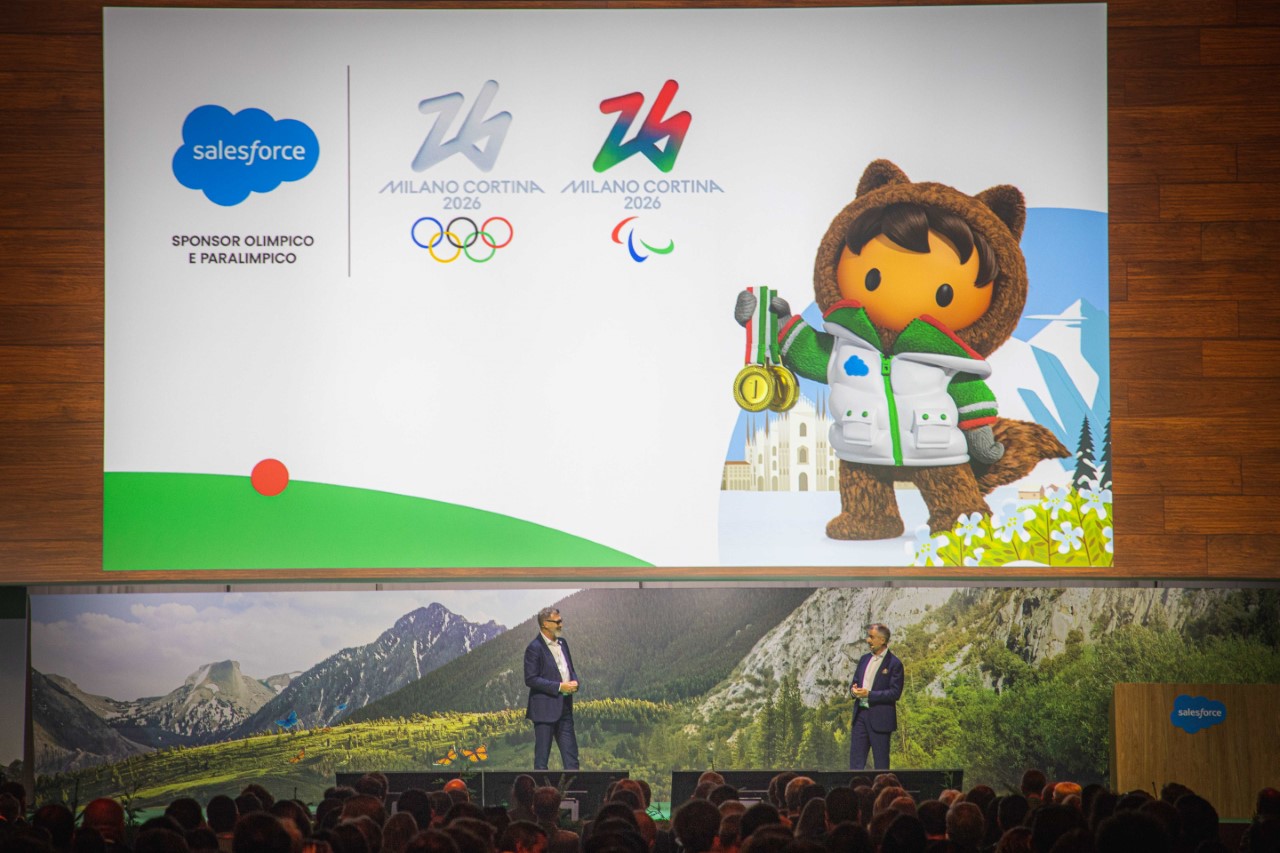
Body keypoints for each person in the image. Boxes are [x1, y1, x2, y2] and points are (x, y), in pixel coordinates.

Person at [524, 607, 580, 770]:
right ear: (545, 624)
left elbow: (570, 669)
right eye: (557, 621)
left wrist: (575, 682)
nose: (561, 624)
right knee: (542, 762)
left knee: (572, 760)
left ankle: (574, 786)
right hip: (544, 711)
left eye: (561, 621)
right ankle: (541, 788)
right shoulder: (534, 648)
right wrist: (560, 687)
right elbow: (531, 679)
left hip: (565, 709)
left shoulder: (563, 643)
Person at [848, 623, 904, 770]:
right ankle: (855, 785)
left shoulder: (894, 664)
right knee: (855, 764)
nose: (868, 640)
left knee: (881, 765)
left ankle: (882, 785)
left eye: (871, 637)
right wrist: (853, 691)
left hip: (881, 719)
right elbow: (854, 682)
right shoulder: (864, 659)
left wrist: (869, 694)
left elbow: (895, 693)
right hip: (860, 716)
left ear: (882, 640)